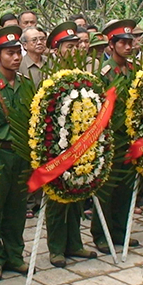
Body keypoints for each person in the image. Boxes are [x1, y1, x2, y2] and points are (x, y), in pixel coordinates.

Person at [43, 22, 99, 266]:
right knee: (57, 197)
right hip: (54, 143)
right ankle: (56, 247)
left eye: (77, 45)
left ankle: (75, 243)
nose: (75, 50)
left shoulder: (84, 73)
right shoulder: (47, 73)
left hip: (80, 141)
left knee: (78, 189)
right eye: (69, 46)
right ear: (57, 49)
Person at [0, 26, 33, 282]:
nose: (16, 58)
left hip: (21, 155)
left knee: (17, 208)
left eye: (18, 53)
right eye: (10, 53)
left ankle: (15, 254)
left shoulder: (26, 85)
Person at [92, 20, 140, 252]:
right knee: (106, 188)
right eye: (122, 42)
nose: (128, 47)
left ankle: (121, 231)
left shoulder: (133, 70)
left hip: (129, 137)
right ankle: (101, 234)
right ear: (111, 45)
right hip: (110, 136)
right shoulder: (105, 73)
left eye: (130, 42)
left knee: (125, 188)